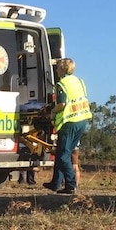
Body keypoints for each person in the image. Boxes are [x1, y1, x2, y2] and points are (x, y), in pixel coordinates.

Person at [43, 58, 92, 194]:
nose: (56, 70)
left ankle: (71, 185)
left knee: (63, 156)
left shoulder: (62, 84)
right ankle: (56, 183)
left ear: (62, 69)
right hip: (82, 120)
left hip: (69, 122)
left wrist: (52, 111)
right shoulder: (79, 81)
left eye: (57, 67)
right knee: (62, 153)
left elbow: (62, 104)